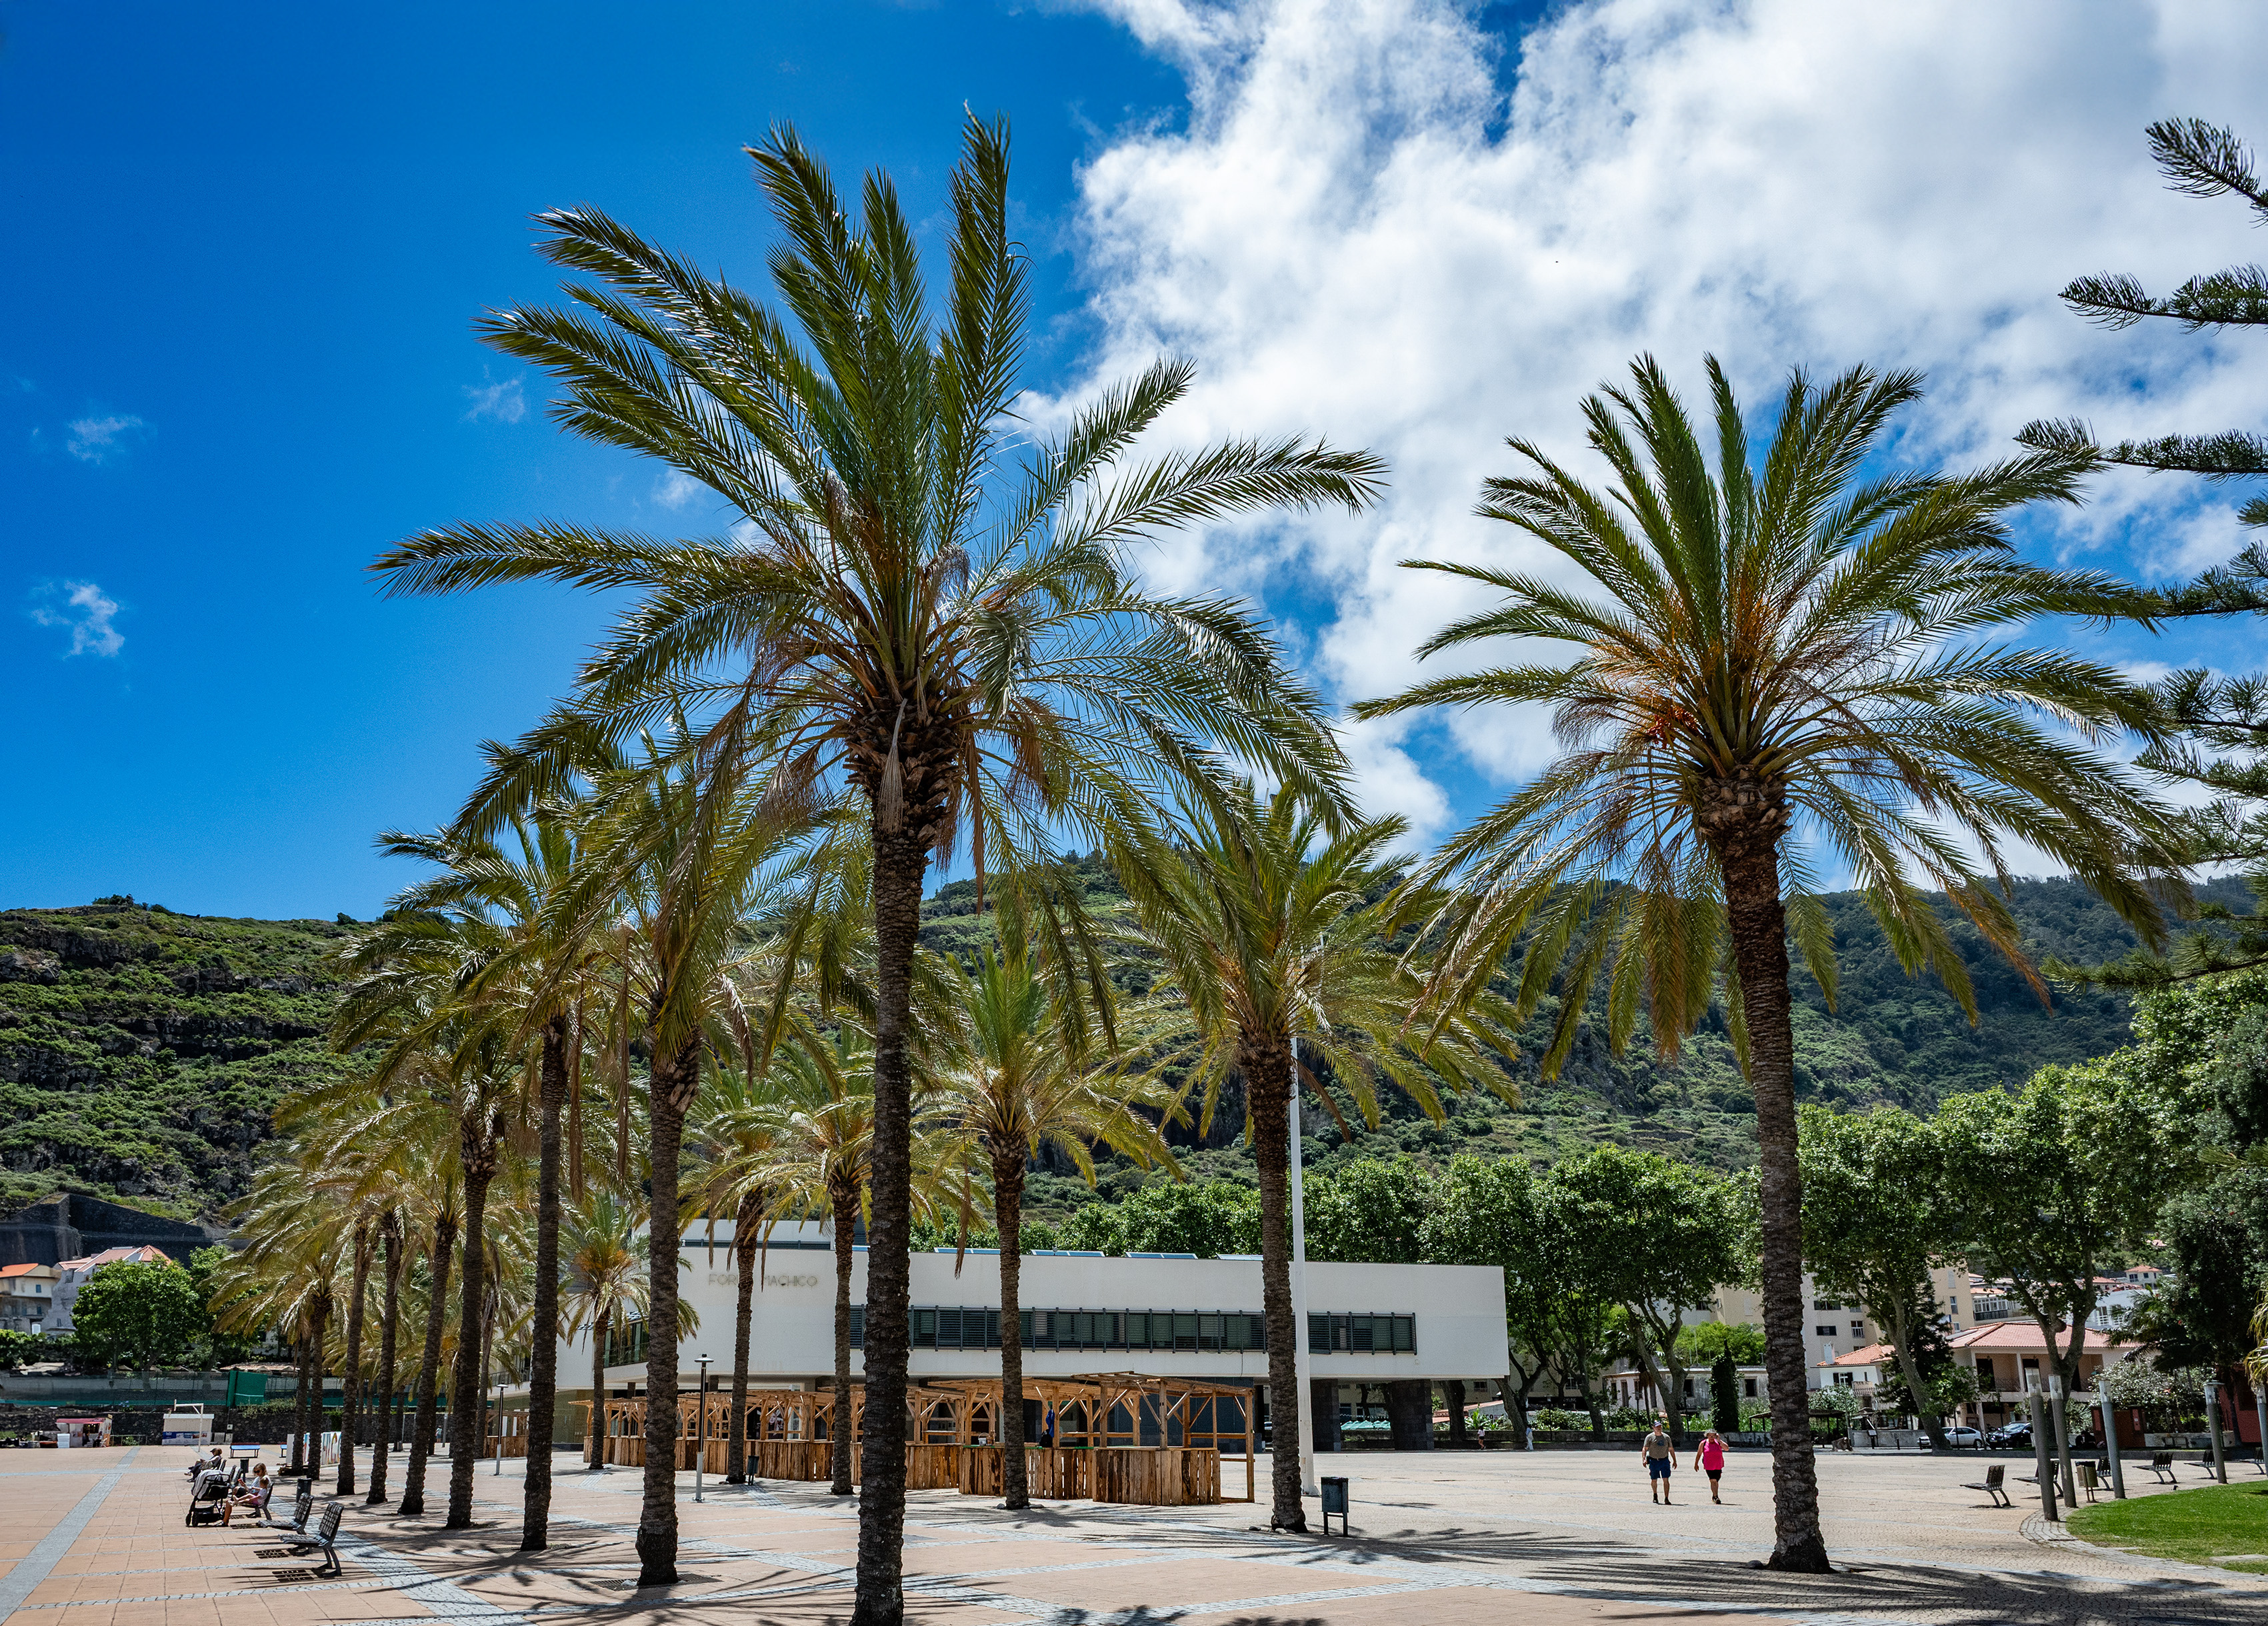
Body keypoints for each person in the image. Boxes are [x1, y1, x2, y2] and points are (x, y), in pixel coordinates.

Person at [221, 1461, 272, 1527]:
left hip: (255, 1497)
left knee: (229, 1502)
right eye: (255, 1472)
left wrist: (249, 1492)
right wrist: (245, 1486)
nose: (257, 1473)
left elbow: (260, 1492)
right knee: (235, 1491)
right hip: (253, 1495)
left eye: (258, 1471)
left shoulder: (264, 1479)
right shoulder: (258, 1478)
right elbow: (251, 1490)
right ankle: (226, 1517)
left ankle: (225, 1521)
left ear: (263, 1470)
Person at [1641, 1418, 1678, 1504]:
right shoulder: (1650, 1437)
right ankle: (1655, 1495)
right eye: (1657, 1427)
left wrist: (1674, 1461)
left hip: (1664, 1460)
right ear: (1653, 1428)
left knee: (1666, 1479)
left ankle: (1666, 1498)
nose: (1658, 1428)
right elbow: (1645, 1448)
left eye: (1660, 1427)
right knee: (1654, 1479)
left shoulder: (1666, 1437)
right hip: (1654, 1461)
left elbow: (1671, 1449)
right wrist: (1644, 1459)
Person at [1698, 1427, 1727, 1503]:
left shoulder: (1718, 1443)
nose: (1711, 1437)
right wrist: (1696, 1464)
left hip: (1718, 1465)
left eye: (1713, 1436)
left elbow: (1726, 1448)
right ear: (1707, 1436)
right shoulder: (1703, 1443)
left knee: (1716, 1481)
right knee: (1713, 1480)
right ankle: (1716, 1497)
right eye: (1710, 1436)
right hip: (1709, 1465)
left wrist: (1719, 1440)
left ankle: (1714, 1495)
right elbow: (1699, 1454)